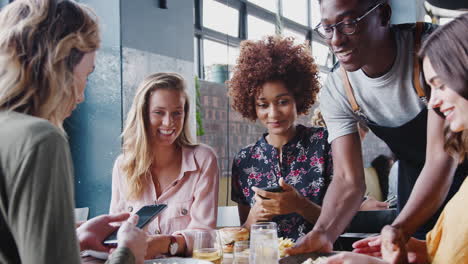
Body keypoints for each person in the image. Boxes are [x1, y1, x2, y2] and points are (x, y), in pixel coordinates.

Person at [287, 0, 467, 255]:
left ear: (383, 14)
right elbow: (347, 179)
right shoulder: (339, 89)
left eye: (349, 23)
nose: (336, 40)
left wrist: (400, 228)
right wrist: (322, 233)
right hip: (415, 184)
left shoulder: (431, 51)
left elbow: (441, 157)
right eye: (328, 29)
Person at [0, 1, 147, 264]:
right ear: (59, 66)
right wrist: (127, 253)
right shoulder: (40, 140)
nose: (81, 96)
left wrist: (73, 239)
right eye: (87, 74)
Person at [228, 36, 333, 241]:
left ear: (299, 99)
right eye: (263, 104)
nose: (273, 114)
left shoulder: (324, 143)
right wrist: (251, 220)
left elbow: (341, 221)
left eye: (282, 101)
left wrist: (300, 205)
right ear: (252, 106)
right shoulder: (244, 160)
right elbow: (244, 235)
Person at [110, 72, 219, 258]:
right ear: (143, 114)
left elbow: (205, 236)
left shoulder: (203, 160)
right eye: (159, 112)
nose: (169, 122)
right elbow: (114, 230)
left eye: (177, 113)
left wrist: (164, 244)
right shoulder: (123, 166)